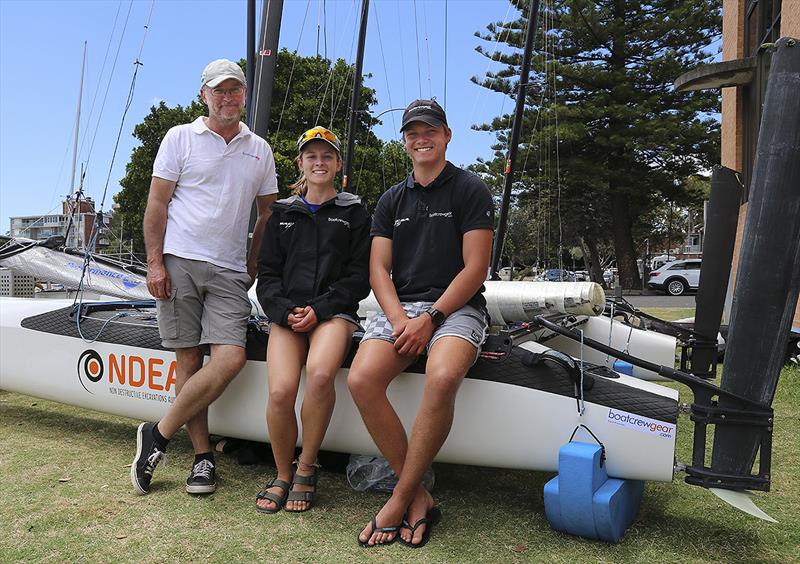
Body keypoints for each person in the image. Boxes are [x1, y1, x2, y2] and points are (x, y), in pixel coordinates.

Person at [348, 99, 495, 548]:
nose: (421, 138)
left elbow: (476, 269)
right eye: (412, 132)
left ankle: (399, 497)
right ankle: (420, 495)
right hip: (402, 309)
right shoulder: (392, 199)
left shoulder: (470, 189)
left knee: (444, 373)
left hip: (456, 306)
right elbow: (378, 270)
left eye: (429, 129)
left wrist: (431, 318)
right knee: (361, 380)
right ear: (405, 142)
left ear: (447, 135)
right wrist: (399, 320)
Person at [131, 59, 278, 496]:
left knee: (230, 358)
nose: (227, 98)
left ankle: (157, 434)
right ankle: (202, 459)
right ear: (204, 95)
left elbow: (268, 212)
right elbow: (157, 204)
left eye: (235, 90)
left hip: (231, 269)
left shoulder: (260, 149)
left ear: (245, 95)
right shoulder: (180, 138)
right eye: (219, 91)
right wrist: (154, 263)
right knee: (189, 362)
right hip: (180, 260)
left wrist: (252, 262)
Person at [253, 127, 371, 513]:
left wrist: (319, 309)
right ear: (301, 163)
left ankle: (307, 467)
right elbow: (266, 274)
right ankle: (282, 473)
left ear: (337, 164)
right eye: (311, 156)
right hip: (288, 313)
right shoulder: (282, 213)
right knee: (281, 391)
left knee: (320, 374)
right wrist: (285, 310)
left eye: (327, 156)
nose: (319, 163)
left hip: (333, 313)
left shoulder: (353, 212)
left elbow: (359, 276)